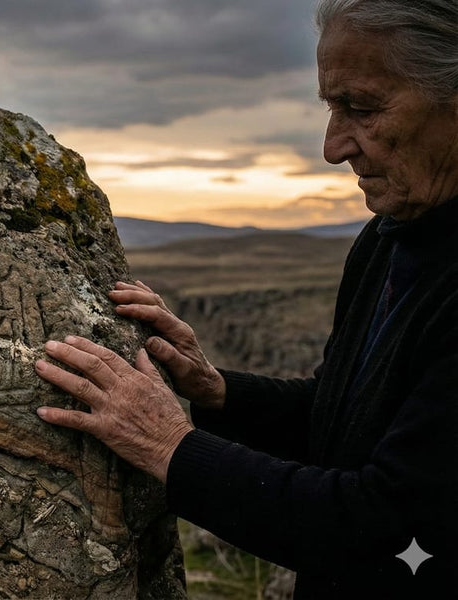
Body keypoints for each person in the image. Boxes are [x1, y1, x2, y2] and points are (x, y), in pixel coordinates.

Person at [34, 1, 458, 597]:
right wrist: (218, 390)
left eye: (362, 109)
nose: (334, 147)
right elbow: (348, 421)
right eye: (332, 109)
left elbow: (391, 528)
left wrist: (169, 447)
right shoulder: (395, 238)